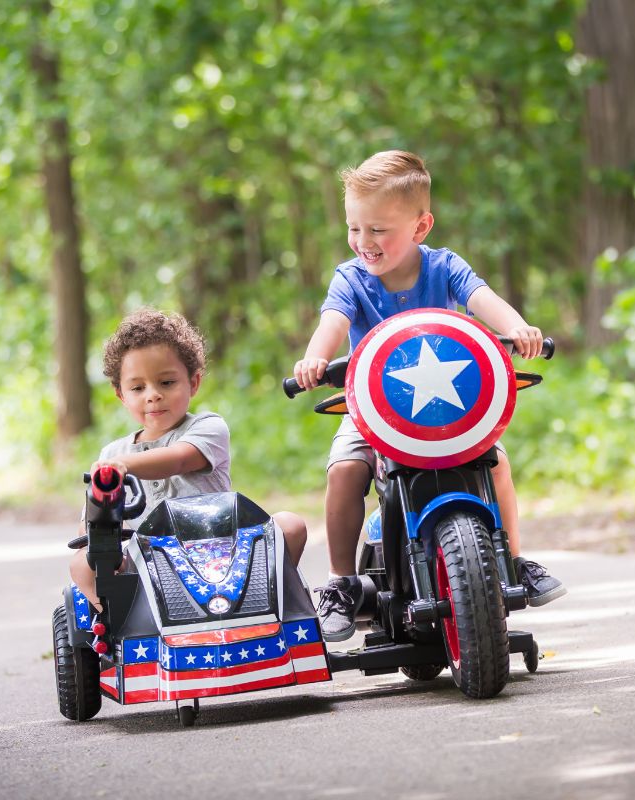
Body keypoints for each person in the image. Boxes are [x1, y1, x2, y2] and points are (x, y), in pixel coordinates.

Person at [293, 150, 565, 642]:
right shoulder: (350, 279)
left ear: (420, 228)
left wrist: (517, 327)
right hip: (373, 410)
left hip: (448, 408)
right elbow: (331, 321)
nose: (363, 242)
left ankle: (513, 560)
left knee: (495, 461)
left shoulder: (445, 267)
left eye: (378, 230)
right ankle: (341, 582)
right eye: (355, 228)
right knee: (345, 469)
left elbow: (482, 298)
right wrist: (315, 357)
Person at [70, 308, 307, 611]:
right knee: (82, 563)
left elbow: (180, 459)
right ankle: (122, 624)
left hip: (223, 552)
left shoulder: (208, 428)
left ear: (193, 383)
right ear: (121, 395)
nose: (153, 395)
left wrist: (124, 467)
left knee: (291, 525)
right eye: (138, 387)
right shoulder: (111, 454)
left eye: (166, 383)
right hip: (147, 565)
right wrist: (98, 521)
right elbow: (88, 526)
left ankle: (271, 607)